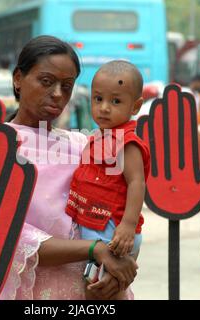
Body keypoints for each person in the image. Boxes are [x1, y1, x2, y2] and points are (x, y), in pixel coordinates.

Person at [0, 35, 138, 300]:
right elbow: (4, 235)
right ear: (18, 79)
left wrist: (116, 269)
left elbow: (116, 210)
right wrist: (94, 249)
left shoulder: (84, 144)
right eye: (46, 81)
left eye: (67, 86)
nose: (57, 94)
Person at [65, 60, 149, 299]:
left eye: (115, 101)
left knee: (102, 292)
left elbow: (136, 183)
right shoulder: (99, 137)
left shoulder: (127, 142)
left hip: (113, 231)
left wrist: (128, 226)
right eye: (98, 99)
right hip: (98, 225)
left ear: (135, 106)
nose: (103, 108)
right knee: (96, 290)